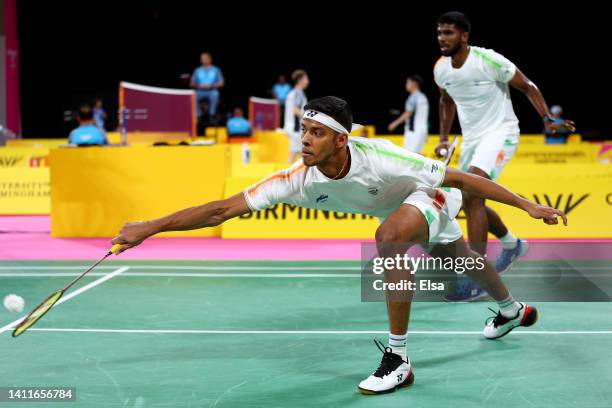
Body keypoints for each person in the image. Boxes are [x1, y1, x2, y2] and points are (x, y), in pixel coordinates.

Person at [112, 96, 566, 396]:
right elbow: (221, 211)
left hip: (427, 198)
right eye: (303, 130)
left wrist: (530, 207)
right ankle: (513, 311)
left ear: (341, 138)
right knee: (462, 259)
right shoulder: (296, 178)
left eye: (316, 132)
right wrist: (149, 227)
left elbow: (463, 178)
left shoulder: (381, 155)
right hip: (406, 212)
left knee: (388, 238)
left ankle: (399, 358)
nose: (305, 140)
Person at [433, 11, 575, 301]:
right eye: (439, 33)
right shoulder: (441, 69)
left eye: (448, 33)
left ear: (463, 36)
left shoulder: (489, 60)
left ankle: (478, 277)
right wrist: (445, 139)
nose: (442, 38)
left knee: (473, 194)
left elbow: (528, 86)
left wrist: (547, 119)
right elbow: (445, 101)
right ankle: (512, 245)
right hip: (472, 140)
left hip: (501, 132)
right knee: (470, 199)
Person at [388, 75, 430, 153]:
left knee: (410, 155)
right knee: (418, 155)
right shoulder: (423, 97)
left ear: (413, 84)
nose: (406, 85)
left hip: (413, 131)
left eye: (407, 83)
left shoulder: (413, 97)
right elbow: (424, 117)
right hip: (422, 131)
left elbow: (408, 113)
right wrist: (426, 132)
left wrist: (394, 123)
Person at [283, 69, 309, 163]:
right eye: (306, 79)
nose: (307, 81)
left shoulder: (295, 93)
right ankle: (286, 176)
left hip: (293, 128)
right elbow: (295, 109)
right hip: (295, 128)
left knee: (298, 154)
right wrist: (307, 118)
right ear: (300, 80)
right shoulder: (298, 93)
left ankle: (295, 176)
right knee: (295, 154)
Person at [190, 52, 225, 121]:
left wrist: (211, 85)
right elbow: (191, 83)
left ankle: (211, 114)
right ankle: (198, 116)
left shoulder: (216, 70)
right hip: (200, 91)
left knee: (215, 94)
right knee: (193, 96)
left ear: (210, 59)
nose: (203, 60)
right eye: (202, 58)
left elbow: (221, 83)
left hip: (212, 91)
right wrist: (199, 85)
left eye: (205, 58)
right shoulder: (197, 70)